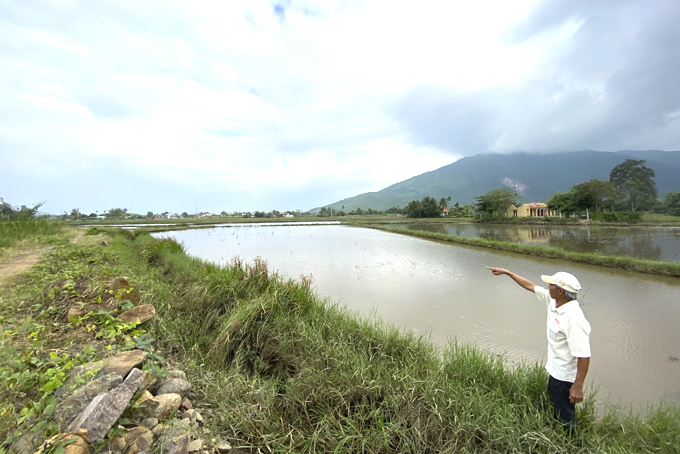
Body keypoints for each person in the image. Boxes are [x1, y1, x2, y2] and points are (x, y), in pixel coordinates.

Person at [486, 266, 591, 434]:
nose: (548, 287)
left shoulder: (574, 318)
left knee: (567, 419)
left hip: (565, 379)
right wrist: (507, 272)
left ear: (560, 291)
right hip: (554, 372)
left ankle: (573, 446)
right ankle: (557, 440)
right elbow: (530, 286)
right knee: (556, 412)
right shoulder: (554, 301)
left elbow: (584, 355)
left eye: (551, 285)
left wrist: (577, 386)